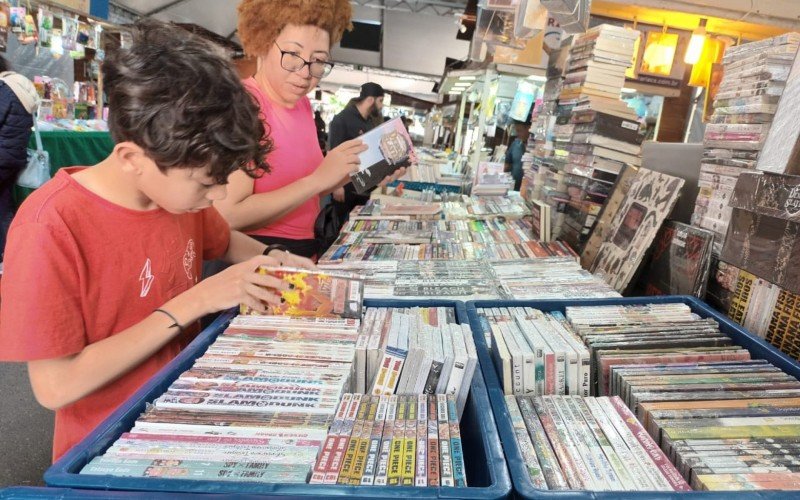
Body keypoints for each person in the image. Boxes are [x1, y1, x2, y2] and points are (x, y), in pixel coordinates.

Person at [0, 20, 314, 462]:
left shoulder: (179, 200)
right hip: (111, 449)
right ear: (133, 158)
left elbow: (224, 241)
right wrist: (192, 303)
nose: (220, 194)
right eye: (207, 182)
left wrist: (273, 257)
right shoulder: (50, 227)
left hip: (186, 413)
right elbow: (56, 385)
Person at [215, 1, 403, 260]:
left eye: (319, 61)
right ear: (264, 43)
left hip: (301, 257)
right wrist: (316, 181)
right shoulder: (242, 106)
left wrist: (367, 171)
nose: (305, 73)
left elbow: (309, 190)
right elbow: (227, 215)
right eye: (292, 55)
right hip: (256, 263)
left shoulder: (301, 105)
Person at [327, 82, 385, 225]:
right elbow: (331, 154)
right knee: (339, 226)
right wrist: (336, 186)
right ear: (371, 100)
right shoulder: (342, 119)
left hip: (363, 185)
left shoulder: (369, 122)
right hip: (344, 186)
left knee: (357, 225)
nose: (382, 105)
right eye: (381, 101)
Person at [0, 56, 37, 260]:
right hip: (13, 156)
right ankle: (10, 254)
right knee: (4, 203)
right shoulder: (20, 87)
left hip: (2, 155)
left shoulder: (4, 89)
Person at [504, 119, 531, 192]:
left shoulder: (536, 147)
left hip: (528, 190)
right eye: (516, 131)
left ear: (529, 128)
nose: (517, 134)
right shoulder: (515, 144)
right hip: (513, 189)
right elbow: (507, 165)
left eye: (519, 131)